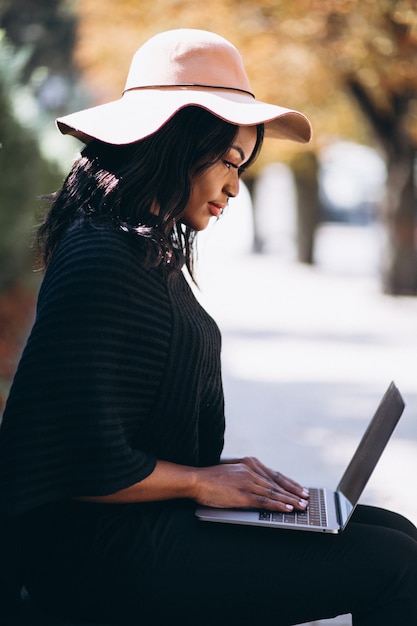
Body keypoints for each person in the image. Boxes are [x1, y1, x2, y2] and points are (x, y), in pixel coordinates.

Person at [0, 28, 416, 626]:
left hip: (138, 525)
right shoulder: (102, 259)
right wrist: (199, 482)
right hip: (95, 555)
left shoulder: (140, 250)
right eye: (228, 161)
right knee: (392, 564)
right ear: (175, 142)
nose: (233, 187)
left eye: (242, 166)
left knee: (394, 532)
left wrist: (217, 480)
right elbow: (74, 460)